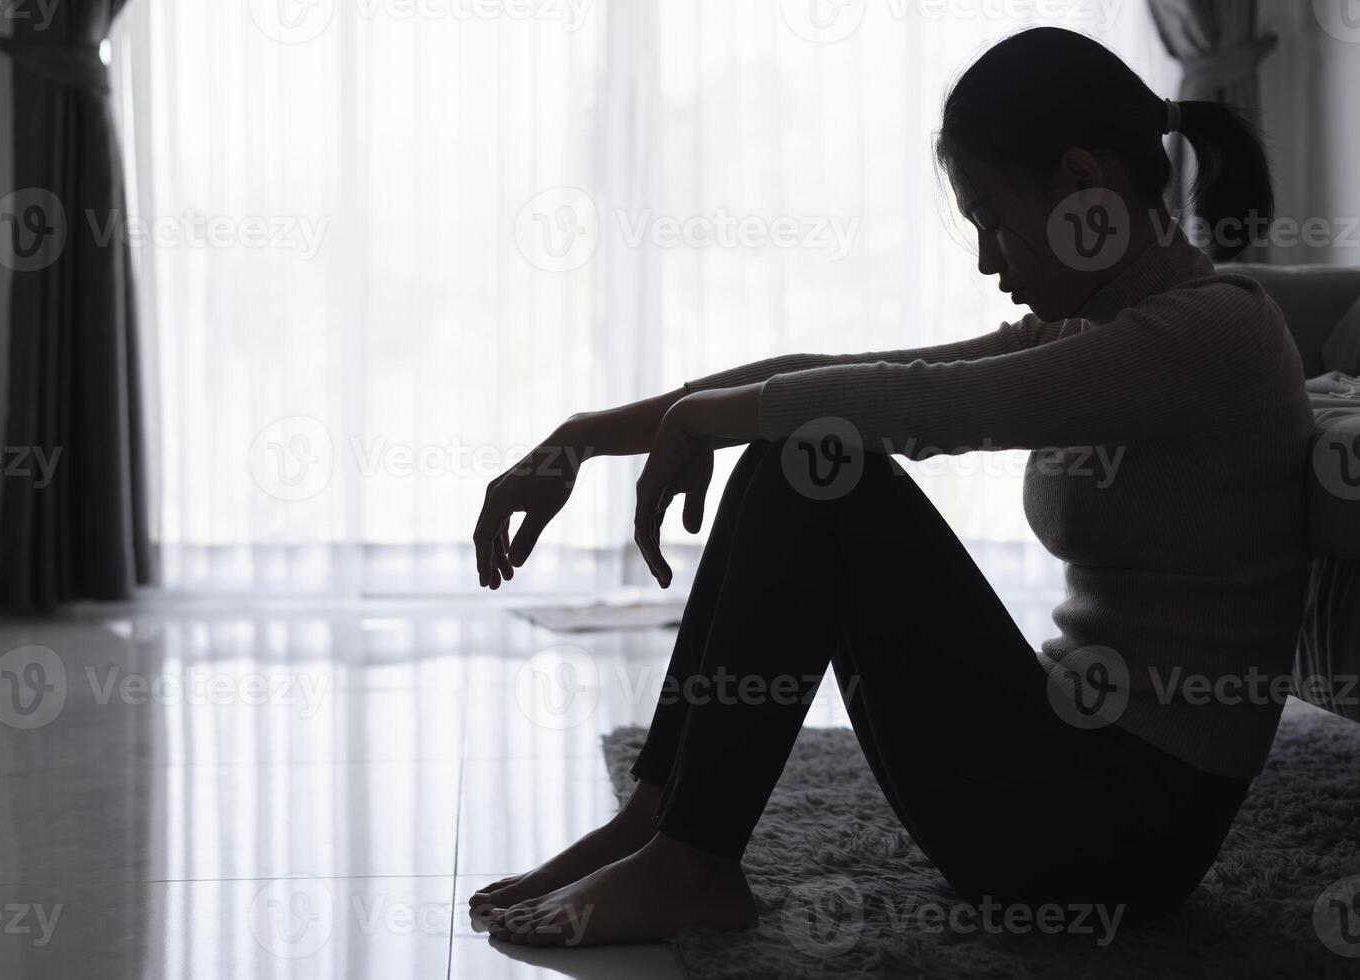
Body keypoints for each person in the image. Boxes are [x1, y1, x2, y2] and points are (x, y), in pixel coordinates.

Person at [468, 26, 1313, 948]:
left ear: (1081, 184)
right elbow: (853, 370)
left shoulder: (1210, 334)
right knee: (794, 444)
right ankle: (662, 823)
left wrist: (707, 420)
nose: (990, 262)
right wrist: (588, 438)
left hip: (1114, 841)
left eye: (990, 216)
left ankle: (690, 863)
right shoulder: (1105, 329)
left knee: (809, 465)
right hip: (1065, 780)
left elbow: (922, 405)